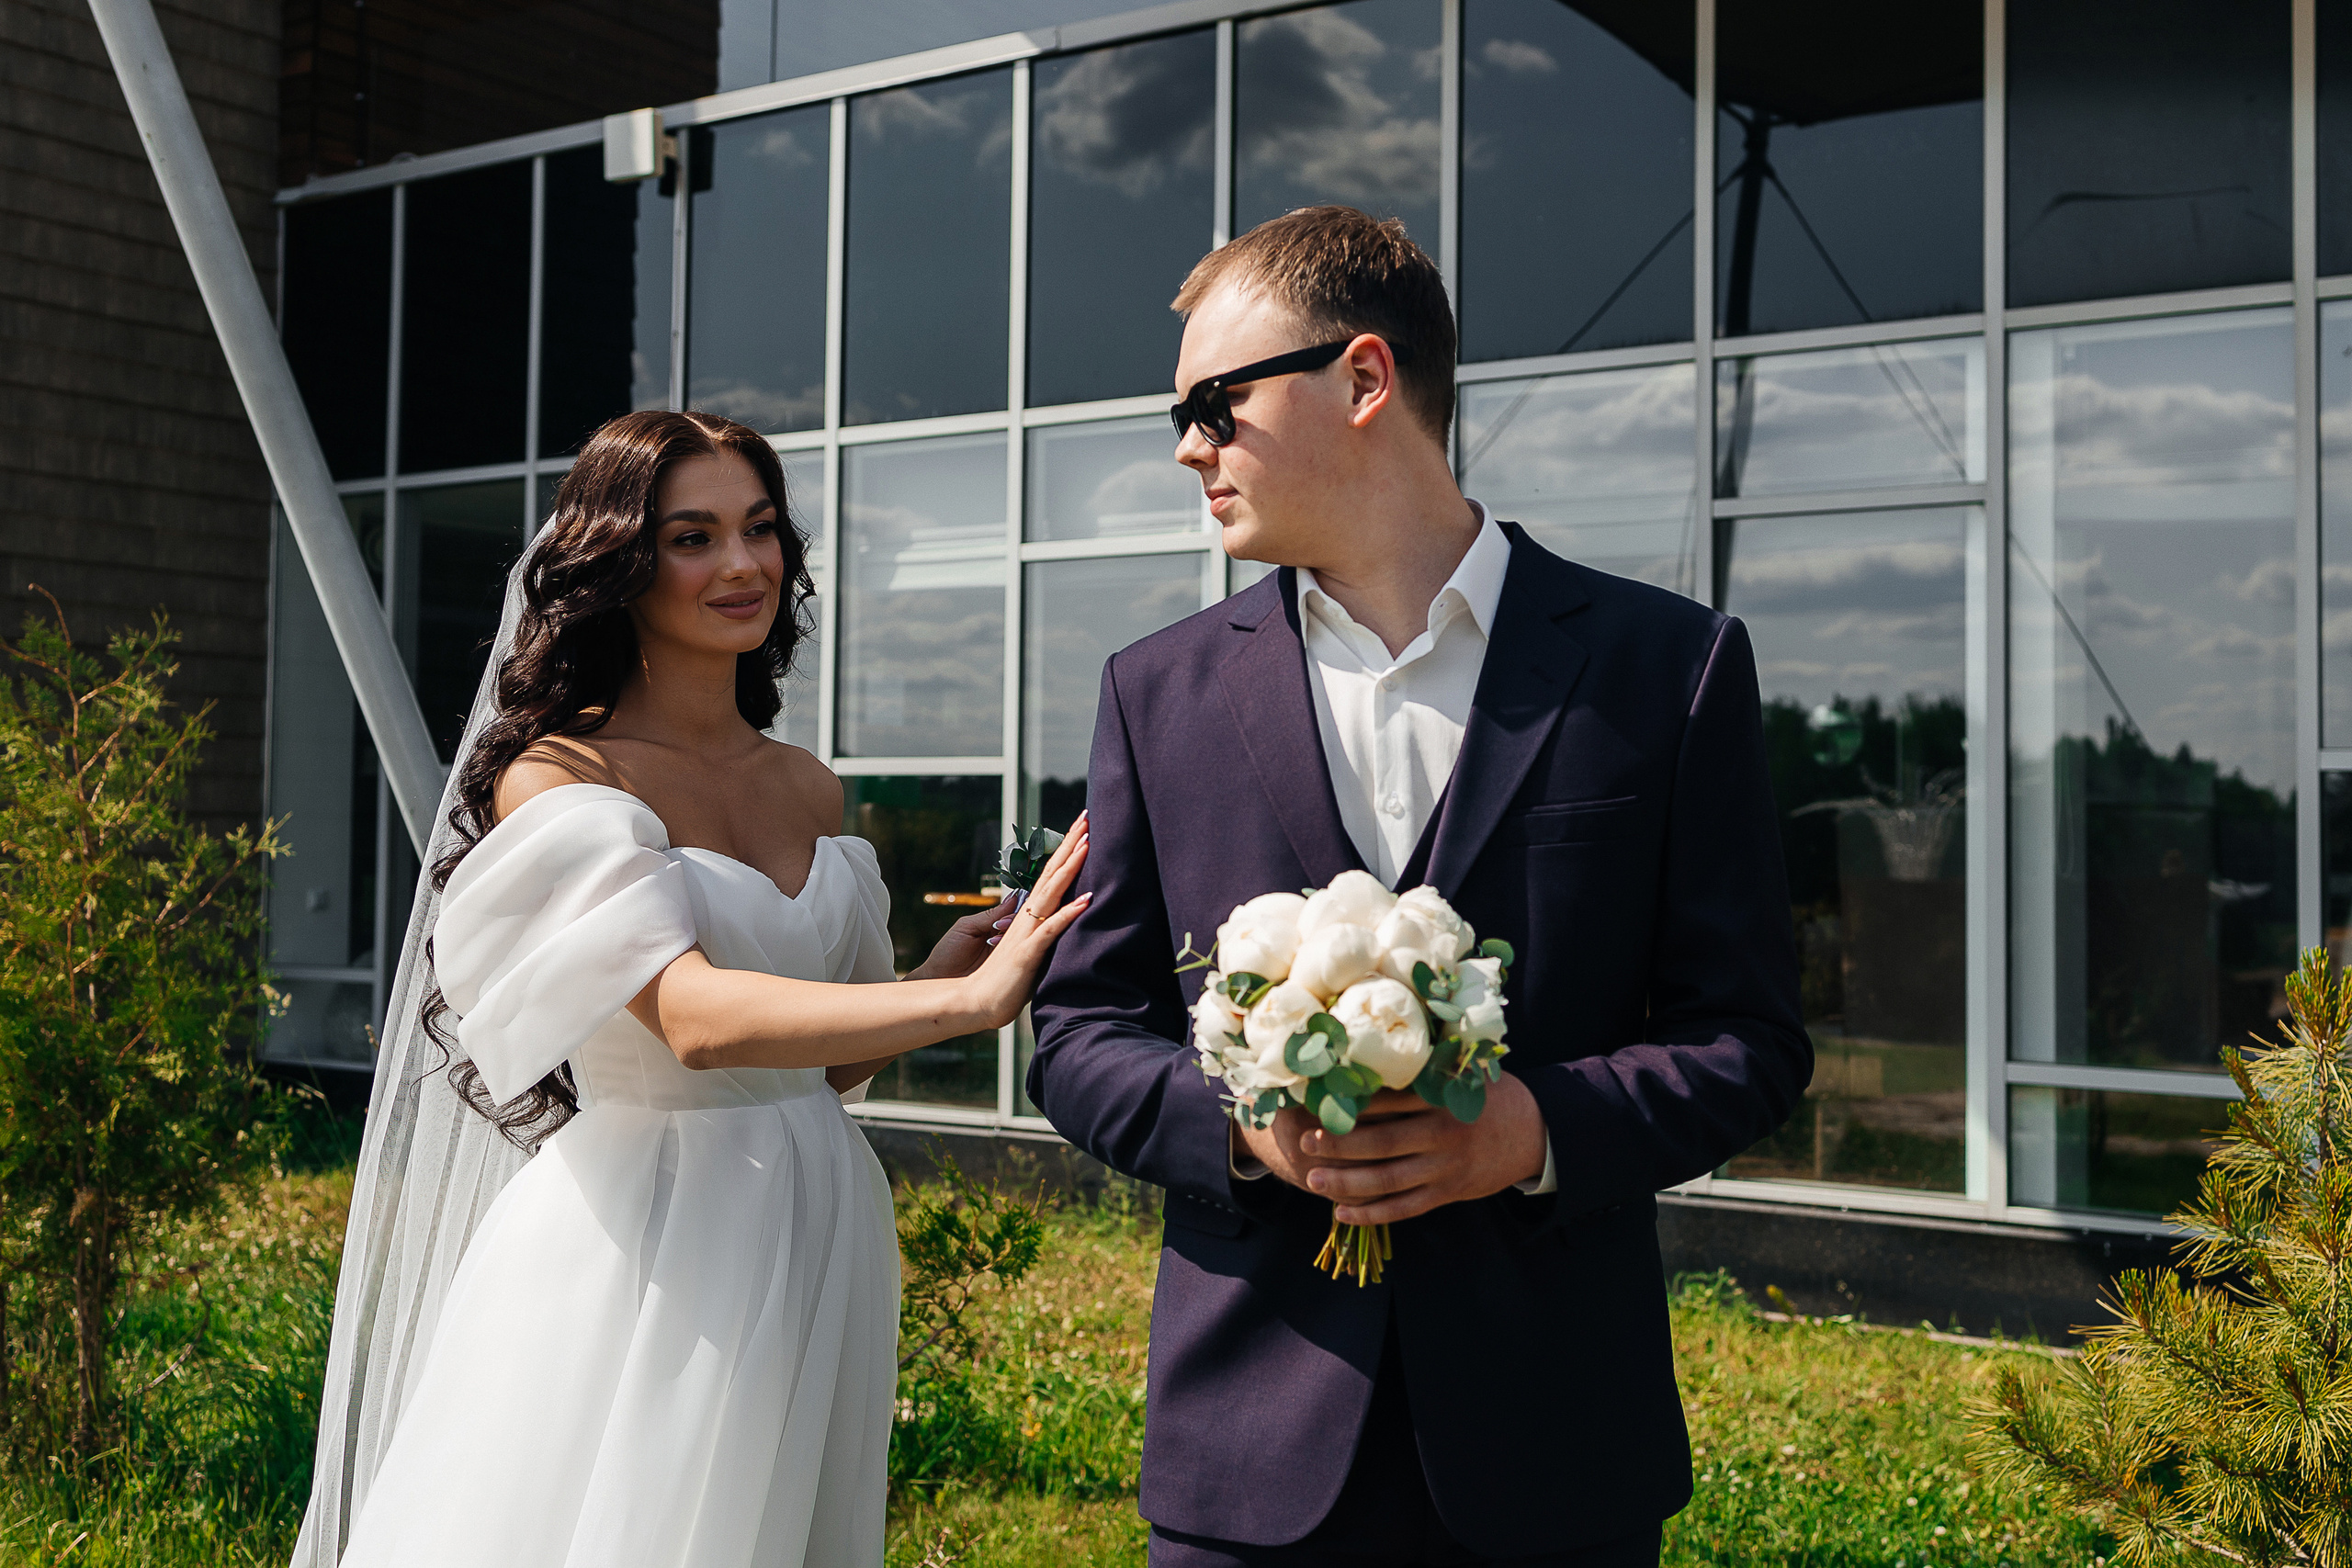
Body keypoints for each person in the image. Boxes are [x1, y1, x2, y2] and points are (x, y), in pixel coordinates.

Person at [1027, 206, 1810, 1568]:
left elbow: (1749, 1036)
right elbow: (1079, 1031)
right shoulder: (1156, 693)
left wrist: (1534, 1130)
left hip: (1555, 1452)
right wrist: (1241, 1128)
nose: (1188, 447)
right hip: (1246, 1456)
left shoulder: (1665, 670)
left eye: (1214, 405)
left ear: (1364, 378)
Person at [293, 410, 1090, 1568]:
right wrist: (970, 1007)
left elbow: (828, 1065)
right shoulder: (561, 777)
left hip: (820, 1216)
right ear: (617, 565)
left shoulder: (809, 787)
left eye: (760, 529)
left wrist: (938, 973)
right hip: (653, 1230)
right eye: (692, 538)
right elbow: (694, 1020)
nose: (742, 564)